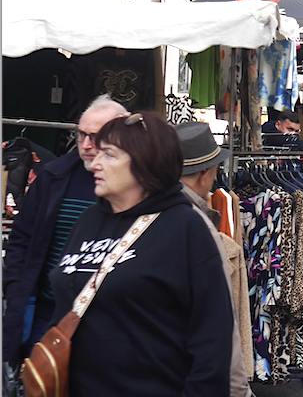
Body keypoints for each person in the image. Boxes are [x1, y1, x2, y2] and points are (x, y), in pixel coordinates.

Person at [48, 112, 233, 395]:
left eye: (109, 155)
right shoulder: (87, 221)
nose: (95, 163)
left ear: (146, 163)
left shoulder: (185, 228)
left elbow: (213, 341)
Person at [3, 95, 127, 368]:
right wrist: (15, 290)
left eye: (95, 137)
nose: (85, 145)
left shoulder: (135, 187)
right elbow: (21, 241)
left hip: (107, 322)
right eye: (81, 134)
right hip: (46, 314)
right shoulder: (53, 177)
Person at [174, 121, 252, 396]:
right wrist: (239, 390)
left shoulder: (137, 211)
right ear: (205, 174)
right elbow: (219, 324)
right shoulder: (198, 228)